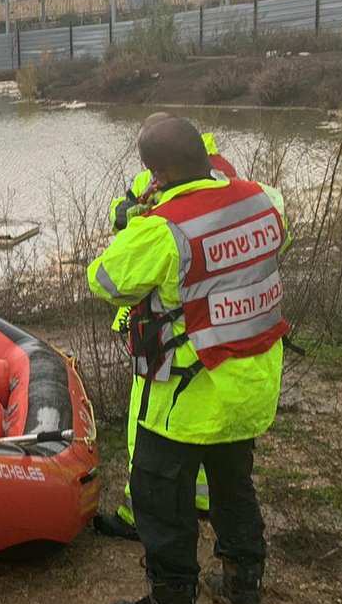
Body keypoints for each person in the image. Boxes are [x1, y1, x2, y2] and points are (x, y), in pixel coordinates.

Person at [88, 116, 288, 604]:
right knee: (233, 486)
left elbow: (106, 279)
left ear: (155, 173)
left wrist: (137, 219)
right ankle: (245, 590)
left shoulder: (163, 229)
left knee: (158, 496)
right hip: (250, 382)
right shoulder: (263, 200)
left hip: (189, 393)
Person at [94, 117, 238, 542]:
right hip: (220, 328)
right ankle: (198, 502)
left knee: (150, 430)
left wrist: (137, 228)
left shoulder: (212, 181)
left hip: (174, 332)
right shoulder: (225, 179)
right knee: (217, 436)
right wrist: (125, 215)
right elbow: (125, 207)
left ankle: (141, 517)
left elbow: (107, 278)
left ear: (164, 164)